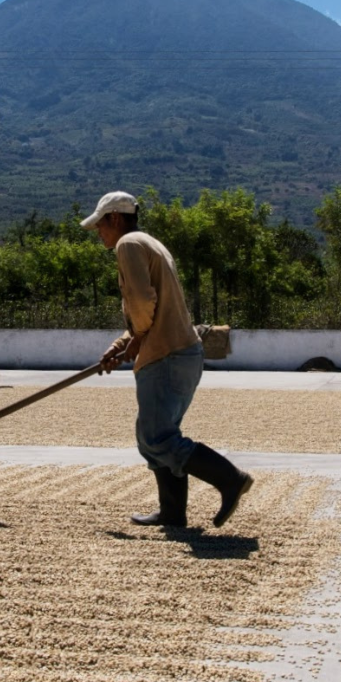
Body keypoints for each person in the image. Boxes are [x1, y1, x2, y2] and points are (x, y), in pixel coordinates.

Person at [83, 190, 253, 529]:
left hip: (167, 354)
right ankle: (172, 512)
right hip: (177, 352)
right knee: (152, 436)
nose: (98, 232)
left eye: (100, 224)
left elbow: (144, 307)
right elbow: (146, 313)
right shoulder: (149, 243)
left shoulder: (128, 245)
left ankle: (230, 479)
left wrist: (138, 341)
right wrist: (120, 345)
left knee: (157, 437)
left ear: (115, 218)